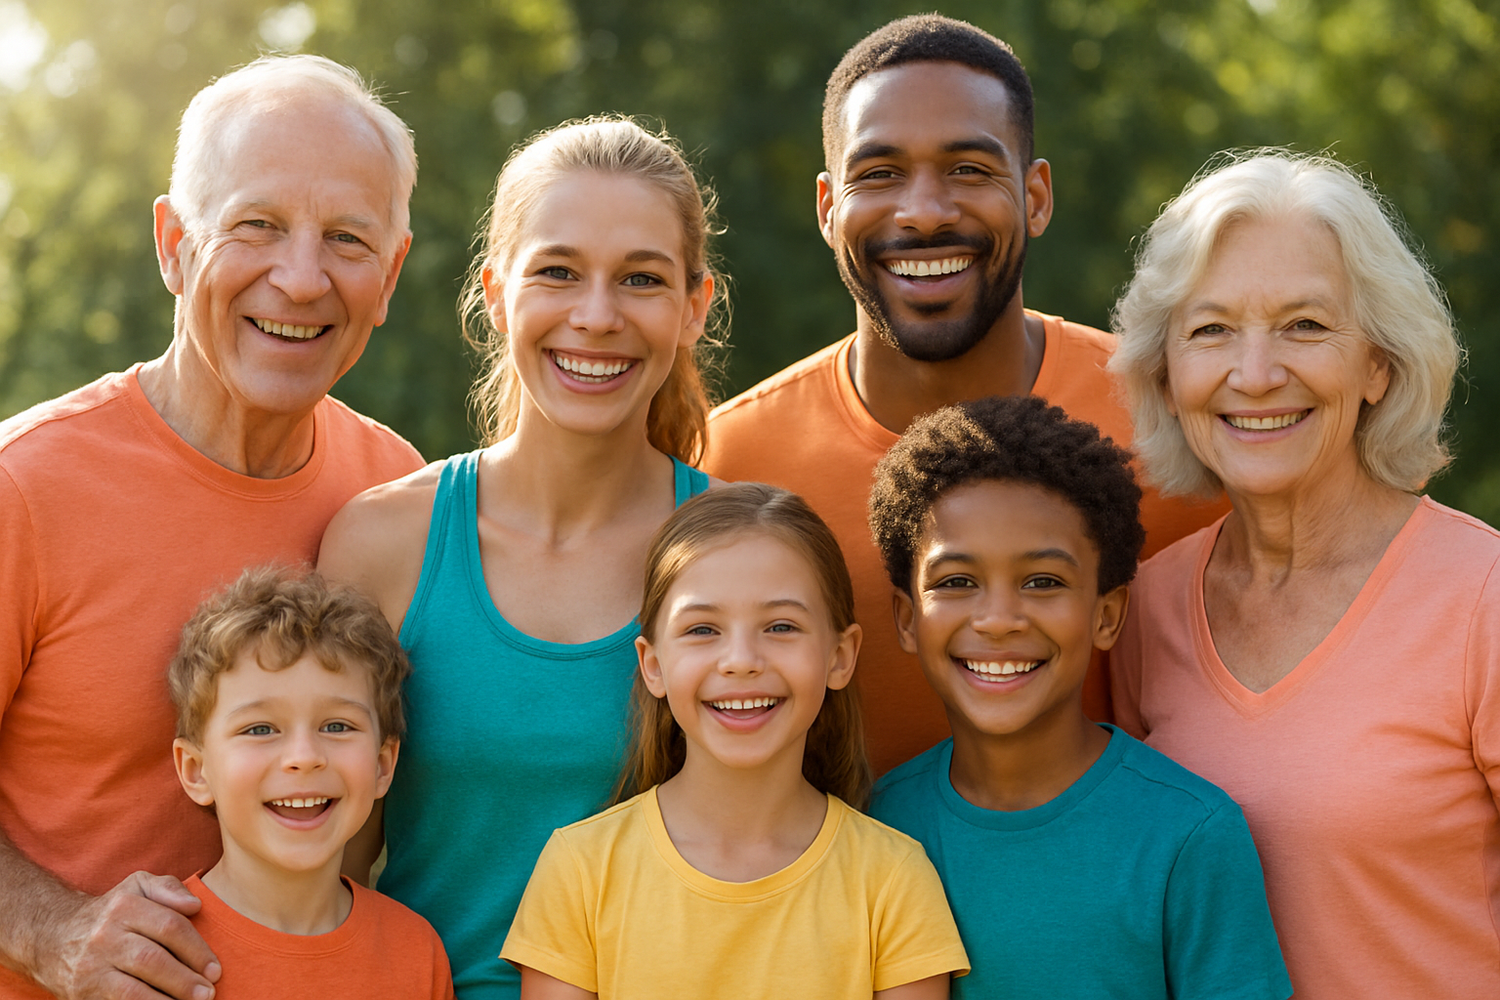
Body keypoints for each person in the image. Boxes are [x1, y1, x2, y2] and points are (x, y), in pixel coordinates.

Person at [0, 55, 422, 1000]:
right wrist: (54, 931)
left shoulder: (400, 499)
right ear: (173, 243)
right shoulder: (22, 488)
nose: (302, 278)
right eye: (257, 225)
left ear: (390, 274)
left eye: (347, 239)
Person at [701, 14, 1225, 775]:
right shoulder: (728, 465)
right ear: (826, 208)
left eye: (969, 170)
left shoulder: (1175, 428)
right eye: (878, 173)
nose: (924, 211)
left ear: (1036, 196)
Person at [318, 117, 719, 999]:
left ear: (695, 306)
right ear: (496, 293)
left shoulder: (738, 551)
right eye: (558, 272)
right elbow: (321, 872)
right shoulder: (382, 545)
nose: (597, 315)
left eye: (642, 279)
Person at [1107, 151, 1494, 999]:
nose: (1254, 374)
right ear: (1167, 376)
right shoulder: (1145, 611)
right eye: (1211, 331)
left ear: (1378, 366)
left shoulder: (1484, 603)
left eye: (1305, 326)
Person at [866, 395, 1289, 1000]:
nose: (999, 619)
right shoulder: (876, 825)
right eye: (957, 581)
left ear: (1107, 615)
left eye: (1043, 582)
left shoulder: (1191, 836)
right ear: (908, 619)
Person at [501, 483, 970, 999]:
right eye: (703, 630)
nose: (741, 659)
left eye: (781, 626)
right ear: (652, 665)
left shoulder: (893, 879)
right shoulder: (580, 869)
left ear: (840, 656)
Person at [167, 567, 453, 998]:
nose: (304, 758)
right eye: (260, 729)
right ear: (195, 770)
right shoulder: (156, 951)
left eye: (337, 726)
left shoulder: (416, 951)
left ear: (382, 765)